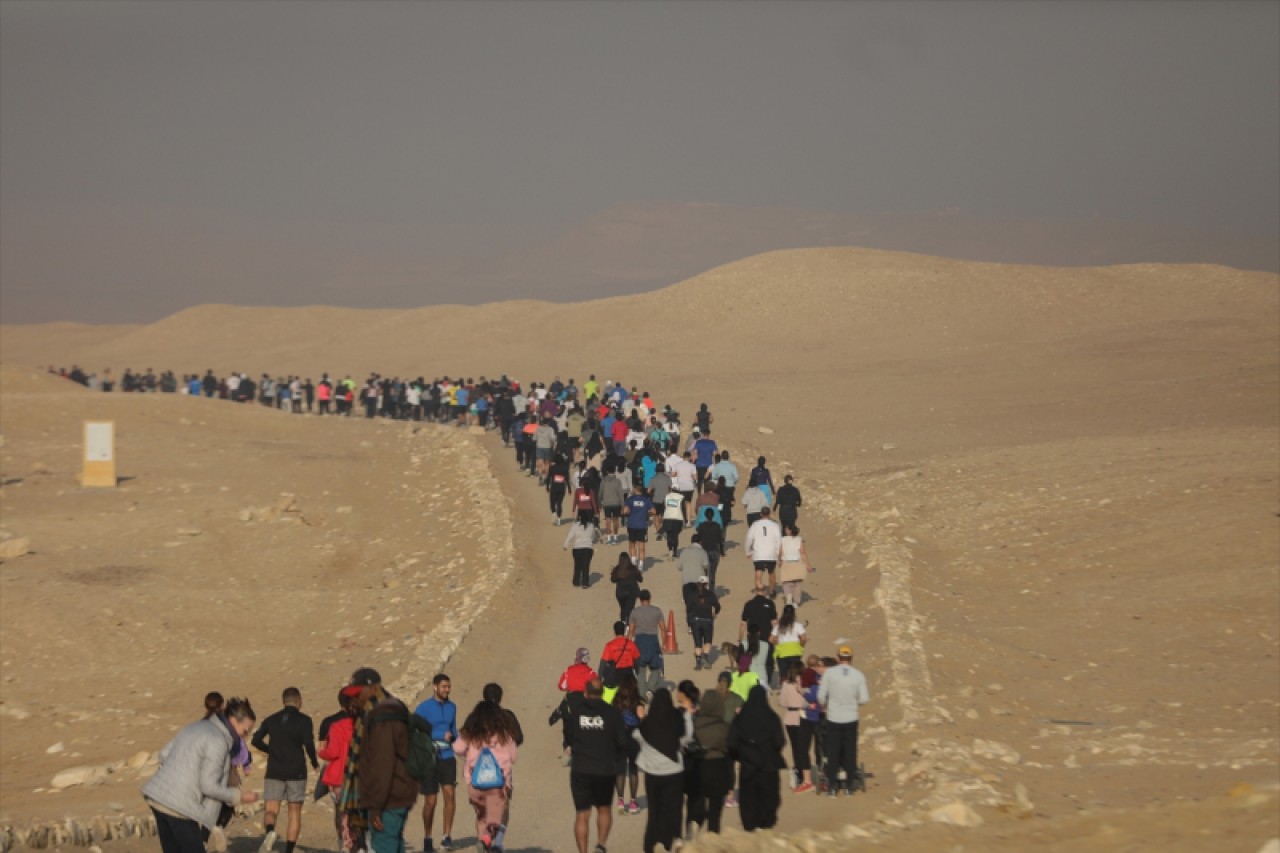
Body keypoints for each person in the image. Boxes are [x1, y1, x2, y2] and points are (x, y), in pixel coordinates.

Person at [143, 697, 260, 853]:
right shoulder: (218, 741)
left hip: (157, 797)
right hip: (179, 806)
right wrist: (240, 796)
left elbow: (164, 754)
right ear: (233, 720)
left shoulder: (196, 726)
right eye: (245, 731)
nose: (244, 737)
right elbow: (209, 786)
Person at [350, 668, 418, 853]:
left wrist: (376, 807)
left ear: (373, 688)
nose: (355, 698)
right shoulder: (391, 707)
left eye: (358, 693)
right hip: (398, 793)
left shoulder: (381, 716)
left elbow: (382, 764)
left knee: (384, 845)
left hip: (388, 799)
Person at [251, 688, 318, 853]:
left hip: (275, 770)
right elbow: (308, 743)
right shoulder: (304, 720)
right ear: (299, 700)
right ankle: (288, 850)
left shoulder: (271, 719)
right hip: (296, 771)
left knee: (271, 809)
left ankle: (270, 832)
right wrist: (314, 761)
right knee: (294, 812)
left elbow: (256, 739)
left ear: (283, 701)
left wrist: (270, 750)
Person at [567, 679, 630, 853]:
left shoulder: (577, 711)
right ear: (602, 693)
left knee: (582, 814)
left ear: (586, 693)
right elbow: (622, 741)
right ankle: (601, 845)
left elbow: (570, 736)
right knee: (604, 808)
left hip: (581, 768)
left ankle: (583, 851)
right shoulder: (612, 712)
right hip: (604, 769)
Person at [453, 700, 519, 852]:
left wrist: (468, 754)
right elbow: (513, 757)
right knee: (495, 820)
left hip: (475, 784)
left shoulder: (470, 733)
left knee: (482, 817)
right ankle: (486, 840)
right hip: (498, 784)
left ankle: (483, 844)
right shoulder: (504, 735)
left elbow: (457, 748)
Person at [633, 689, 694, 853]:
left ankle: (653, 842)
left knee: (655, 810)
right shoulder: (676, 720)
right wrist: (687, 715)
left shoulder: (646, 726)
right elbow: (687, 739)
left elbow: (636, 736)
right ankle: (676, 839)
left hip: (653, 774)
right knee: (674, 808)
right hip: (675, 772)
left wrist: (642, 718)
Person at [729, 686, 786, 831]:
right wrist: (769, 751)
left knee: (749, 798)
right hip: (768, 765)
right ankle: (766, 823)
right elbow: (780, 741)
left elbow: (732, 743)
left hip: (748, 766)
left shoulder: (740, 719)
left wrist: (742, 756)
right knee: (769, 796)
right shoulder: (772, 717)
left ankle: (750, 825)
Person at [817, 645, 871, 796]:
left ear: (837, 658)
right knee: (850, 751)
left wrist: (827, 705)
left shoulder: (830, 674)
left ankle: (833, 787)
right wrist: (852, 703)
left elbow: (821, 696)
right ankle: (849, 787)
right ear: (851, 659)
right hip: (851, 718)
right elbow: (864, 699)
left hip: (833, 717)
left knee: (833, 752)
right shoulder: (858, 675)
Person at [415, 674, 458, 851]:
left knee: (450, 794)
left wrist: (457, 738)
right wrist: (440, 735)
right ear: (435, 687)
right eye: (444, 687)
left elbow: (453, 729)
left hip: (448, 757)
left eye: (448, 687)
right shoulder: (423, 708)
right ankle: (427, 837)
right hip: (429, 758)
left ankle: (447, 836)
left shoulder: (452, 707)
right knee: (430, 801)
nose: (447, 690)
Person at [319, 689, 361, 853]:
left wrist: (322, 752)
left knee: (342, 812)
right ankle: (359, 844)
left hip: (339, 777)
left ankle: (345, 842)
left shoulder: (334, 725)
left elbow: (333, 752)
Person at [691, 688, 732, 833]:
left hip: (698, 767)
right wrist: (730, 783)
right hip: (718, 768)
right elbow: (730, 753)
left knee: (697, 808)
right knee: (714, 814)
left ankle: (693, 832)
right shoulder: (724, 727)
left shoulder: (694, 724)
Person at [610, 673, 646, 816]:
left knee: (620, 769)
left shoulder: (615, 700)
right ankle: (632, 802)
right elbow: (642, 718)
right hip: (634, 737)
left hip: (619, 737)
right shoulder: (638, 702)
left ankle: (619, 800)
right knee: (633, 769)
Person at [779, 662, 815, 794]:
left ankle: (799, 773)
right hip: (804, 715)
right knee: (804, 748)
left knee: (795, 747)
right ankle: (805, 773)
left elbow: (782, 702)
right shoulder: (806, 684)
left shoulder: (786, 684)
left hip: (790, 717)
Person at [674, 681, 704, 838]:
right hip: (699, 758)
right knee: (696, 797)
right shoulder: (700, 712)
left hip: (680, 759)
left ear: (682, 694)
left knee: (677, 799)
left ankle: (678, 837)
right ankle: (693, 827)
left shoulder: (677, 713)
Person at [627, 590, 667, 698]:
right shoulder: (657, 611)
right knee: (656, 668)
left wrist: (628, 645)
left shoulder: (634, 612)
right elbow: (663, 628)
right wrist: (664, 643)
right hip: (652, 640)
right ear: (650, 598)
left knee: (640, 669)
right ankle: (650, 688)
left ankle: (642, 694)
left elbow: (631, 631)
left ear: (640, 599)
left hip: (639, 641)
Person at [739, 588, 779, 688]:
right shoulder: (770, 603)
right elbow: (774, 622)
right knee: (768, 661)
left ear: (755, 592)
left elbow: (743, 624)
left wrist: (740, 639)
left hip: (751, 637)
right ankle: (767, 682)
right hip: (767, 638)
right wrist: (776, 637)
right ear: (765, 592)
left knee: (751, 659)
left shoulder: (748, 604)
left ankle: (751, 678)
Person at [745, 506, 783, 599]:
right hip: (771, 552)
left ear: (761, 514)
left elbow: (749, 538)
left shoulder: (755, 524)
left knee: (758, 571)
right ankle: (771, 590)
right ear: (769, 514)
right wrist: (778, 553)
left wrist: (748, 551)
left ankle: (759, 589)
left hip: (758, 552)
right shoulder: (775, 525)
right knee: (771, 571)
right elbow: (779, 540)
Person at [686, 577, 721, 671]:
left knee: (698, 643)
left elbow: (688, 609)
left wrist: (689, 623)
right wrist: (715, 613)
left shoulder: (692, 595)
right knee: (708, 641)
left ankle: (698, 661)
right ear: (707, 584)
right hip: (707, 620)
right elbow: (717, 606)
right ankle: (705, 656)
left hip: (696, 621)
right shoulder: (711, 594)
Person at [769, 604, 807, 679]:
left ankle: (784, 689)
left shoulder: (779, 626)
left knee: (783, 675)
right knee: (795, 674)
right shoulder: (798, 625)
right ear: (793, 613)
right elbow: (803, 638)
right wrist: (801, 645)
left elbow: (770, 639)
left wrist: (777, 644)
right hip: (795, 652)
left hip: (782, 653)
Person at [622, 483, 656, 567]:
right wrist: (647, 514)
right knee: (641, 546)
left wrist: (627, 512)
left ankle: (633, 563)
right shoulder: (646, 499)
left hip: (632, 524)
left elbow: (625, 511)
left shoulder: (630, 499)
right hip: (642, 525)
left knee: (632, 544)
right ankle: (641, 565)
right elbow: (654, 511)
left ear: (635, 490)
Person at [778, 523, 811, 607]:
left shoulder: (783, 540)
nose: (785, 530)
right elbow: (802, 553)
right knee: (797, 584)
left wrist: (779, 561)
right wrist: (807, 564)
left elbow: (781, 552)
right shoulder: (799, 539)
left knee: (787, 584)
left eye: (786, 529)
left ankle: (789, 601)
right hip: (798, 563)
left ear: (789, 531)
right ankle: (796, 602)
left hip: (787, 563)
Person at [563, 516, 600, 589]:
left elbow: (570, 535)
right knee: (586, 566)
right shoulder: (591, 526)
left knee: (577, 565)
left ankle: (576, 582)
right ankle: (585, 583)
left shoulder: (575, 526)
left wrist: (565, 545)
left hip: (577, 548)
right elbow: (593, 537)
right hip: (587, 548)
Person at [599, 622, 640, 687]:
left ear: (614, 631)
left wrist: (599, 678)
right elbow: (637, 661)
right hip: (628, 675)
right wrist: (638, 674)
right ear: (624, 631)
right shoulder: (631, 644)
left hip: (615, 675)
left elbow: (603, 663)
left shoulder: (610, 645)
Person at [610, 554, 642, 624]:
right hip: (632, 592)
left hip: (620, 593)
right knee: (630, 610)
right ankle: (628, 626)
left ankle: (623, 623)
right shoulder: (633, 568)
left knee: (623, 609)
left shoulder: (617, 569)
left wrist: (614, 573)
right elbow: (640, 579)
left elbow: (612, 580)